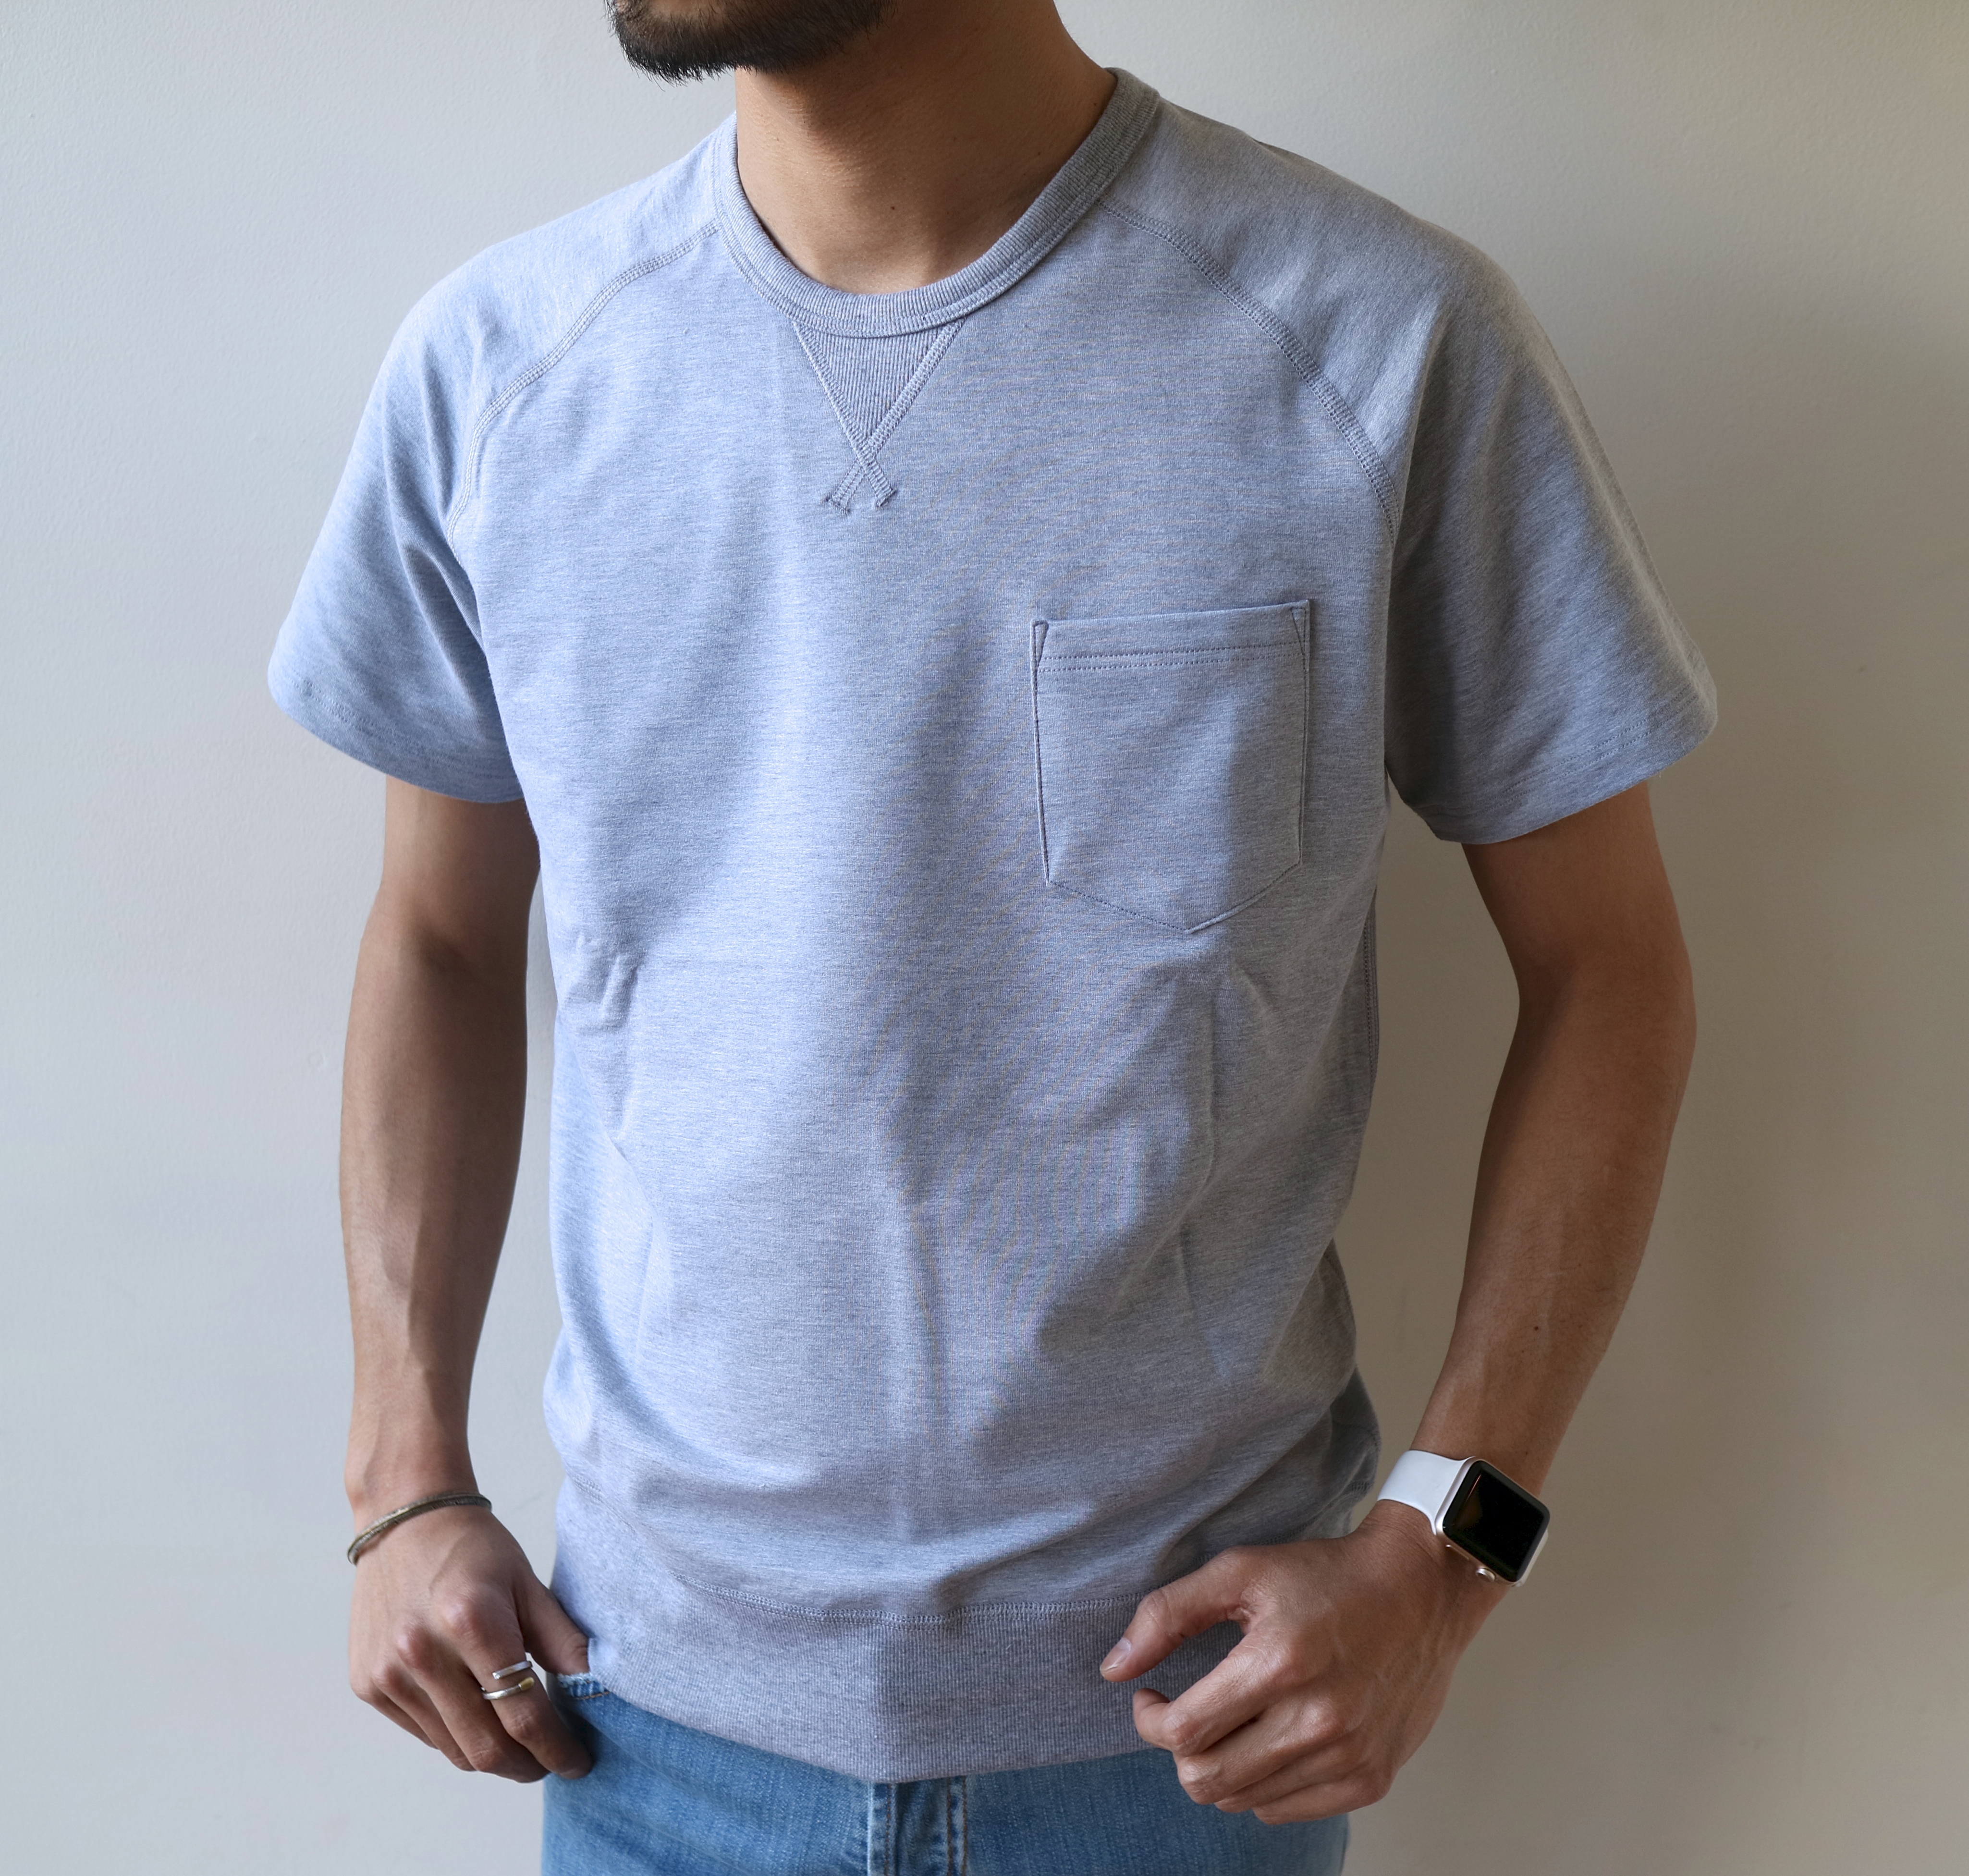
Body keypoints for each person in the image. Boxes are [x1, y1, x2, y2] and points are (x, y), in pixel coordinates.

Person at [270, 1, 1714, 1870]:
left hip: (1176, 1744)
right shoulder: (501, 365)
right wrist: (401, 1480)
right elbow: (439, 943)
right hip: (635, 1720)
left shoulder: (1375, 338)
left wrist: (1445, 1544)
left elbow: (1606, 968)